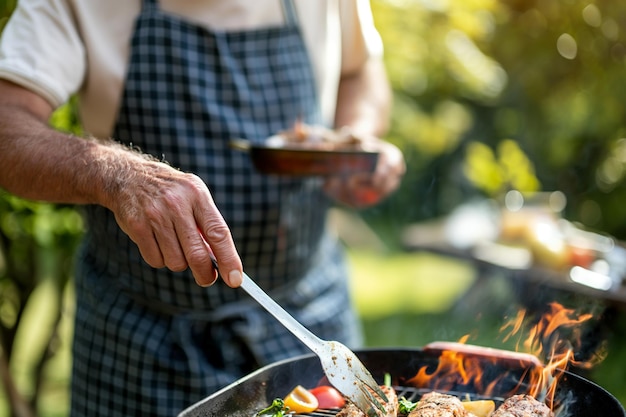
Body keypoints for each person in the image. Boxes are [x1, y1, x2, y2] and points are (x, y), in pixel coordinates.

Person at [0, 1, 405, 416]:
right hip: (142, 341)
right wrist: (118, 175)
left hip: (309, 322)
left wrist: (352, 146)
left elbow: (360, 71)